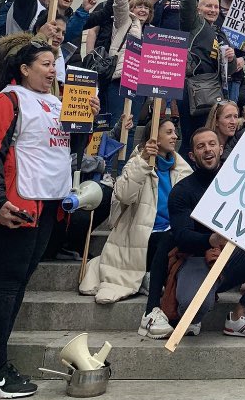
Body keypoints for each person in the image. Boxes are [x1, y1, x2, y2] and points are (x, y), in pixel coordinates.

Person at [0, 35, 99, 398]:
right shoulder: (8, 100)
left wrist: (86, 123)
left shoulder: (55, 102)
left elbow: (66, 151)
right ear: (25, 68)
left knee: (17, 287)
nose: (52, 69)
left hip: (47, 209)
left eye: (53, 63)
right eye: (45, 63)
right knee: (6, 285)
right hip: (17, 207)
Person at [169, 128, 245, 338]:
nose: (208, 149)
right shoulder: (182, 190)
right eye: (201, 146)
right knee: (193, 309)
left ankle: (240, 316)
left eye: (212, 144)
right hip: (197, 260)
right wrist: (211, 239)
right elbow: (182, 237)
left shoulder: (240, 181)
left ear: (221, 148)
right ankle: (192, 303)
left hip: (231, 259)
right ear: (192, 155)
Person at [80, 118, 191, 333]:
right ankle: (153, 309)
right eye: (168, 132)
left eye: (174, 132)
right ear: (153, 137)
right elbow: (123, 195)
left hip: (173, 232)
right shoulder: (136, 163)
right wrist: (142, 161)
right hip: (145, 236)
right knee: (166, 240)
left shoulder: (182, 168)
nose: (175, 136)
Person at [175, 0, 244, 154]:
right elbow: (187, 2)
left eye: (215, 7)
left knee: (207, 137)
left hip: (213, 92)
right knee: (191, 139)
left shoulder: (220, 34)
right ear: (198, 10)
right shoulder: (194, 25)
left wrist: (231, 58)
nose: (213, 10)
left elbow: (229, 70)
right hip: (193, 91)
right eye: (207, 6)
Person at [106, 0, 154, 148]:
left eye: (147, 7)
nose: (143, 9)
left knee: (131, 127)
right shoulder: (124, 22)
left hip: (140, 85)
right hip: (120, 79)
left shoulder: (154, 32)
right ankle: (107, 170)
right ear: (132, 9)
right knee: (115, 124)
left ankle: (124, 169)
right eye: (139, 6)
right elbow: (120, 4)